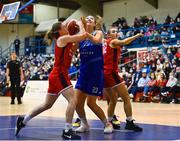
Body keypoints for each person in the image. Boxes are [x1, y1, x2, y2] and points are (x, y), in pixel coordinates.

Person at [15, 21, 87, 140]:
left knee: (47, 105)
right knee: (73, 100)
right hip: (59, 74)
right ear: (60, 31)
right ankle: (67, 130)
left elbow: (76, 45)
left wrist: (77, 32)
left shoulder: (67, 42)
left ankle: (23, 120)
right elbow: (83, 35)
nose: (66, 27)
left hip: (57, 75)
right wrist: (81, 25)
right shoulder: (62, 39)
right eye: (64, 26)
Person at [75, 15, 113, 134]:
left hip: (95, 72)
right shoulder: (80, 37)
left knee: (91, 103)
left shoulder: (98, 33)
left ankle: (107, 124)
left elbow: (96, 41)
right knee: (77, 103)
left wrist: (82, 30)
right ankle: (84, 124)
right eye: (88, 18)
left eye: (92, 19)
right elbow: (72, 48)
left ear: (95, 23)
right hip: (84, 72)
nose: (90, 19)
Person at [103, 27, 143, 131]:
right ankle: (129, 122)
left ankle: (109, 121)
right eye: (113, 31)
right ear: (108, 35)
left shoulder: (105, 43)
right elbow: (124, 41)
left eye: (116, 31)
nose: (116, 33)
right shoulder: (113, 41)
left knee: (113, 100)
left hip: (104, 73)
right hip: (111, 72)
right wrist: (136, 36)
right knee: (126, 98)